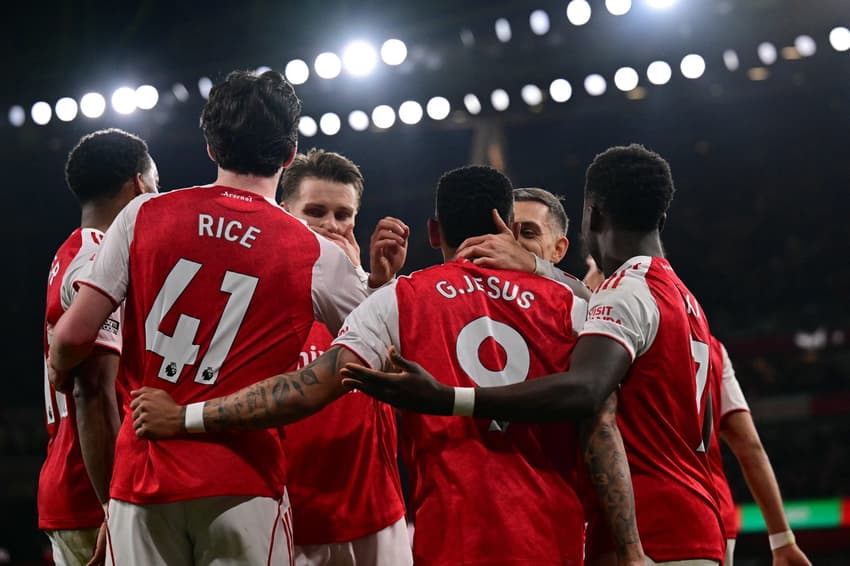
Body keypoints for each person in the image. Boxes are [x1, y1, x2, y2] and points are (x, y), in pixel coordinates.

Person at [130, 165, 645, 566]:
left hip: (451, 540)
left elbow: (309, 388)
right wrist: (630, 549)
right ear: (507, 226)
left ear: (433, 229)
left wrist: (187, 417)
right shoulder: (574, 305)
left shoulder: (401, 298)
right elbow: (600, 428)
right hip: (554, 538)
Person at [48, 70, 390, 566]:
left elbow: (75, 334)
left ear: (210, 146)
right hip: (243, 480)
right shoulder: (314, 253)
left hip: (142, 480)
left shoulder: (143, 215)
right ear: (290, 153)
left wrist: (60, 360)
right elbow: (380, 344)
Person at [343, 144, 727, 565]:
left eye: (526, 235)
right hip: (698, 519)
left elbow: (585, 389)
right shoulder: (682, 298)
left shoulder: (617, 296)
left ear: (590, 219)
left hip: (651, 530)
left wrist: (452, 398)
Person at [278, 148, 411, 566]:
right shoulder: (257, 297)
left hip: (377, 513)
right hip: (292, 520)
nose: (331, 226)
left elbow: (405, 383)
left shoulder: (382, 292)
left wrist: (375, 287)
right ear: (283, 212)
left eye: (343, 215)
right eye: (315, 211)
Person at [40, 129, 158, 565]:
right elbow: (92, 390)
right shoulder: (97, 259)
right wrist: (112, 506)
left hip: (73, 482)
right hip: (95, 493)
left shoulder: (69, 252)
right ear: (139, 184)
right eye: (156, 185)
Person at [707, 338, 812, 566]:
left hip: (652, 513)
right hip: (715, 518)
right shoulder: (714, 348)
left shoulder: (631, 321)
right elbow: (750, 446)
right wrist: (782, 539)